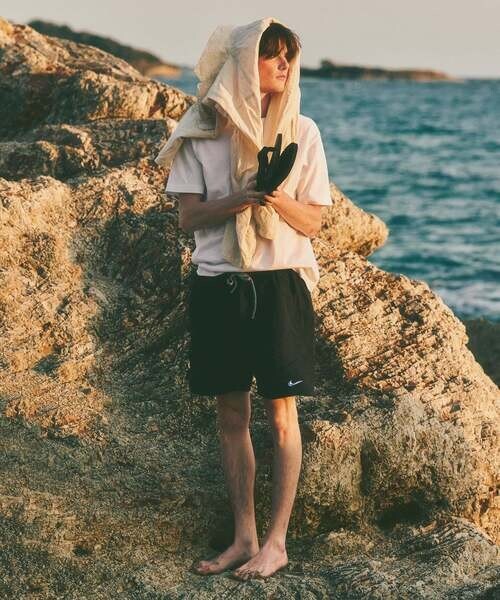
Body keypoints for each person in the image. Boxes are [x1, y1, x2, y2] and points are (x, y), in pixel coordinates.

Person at [164, 19, 332, 580]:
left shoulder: (301, 130)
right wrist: (243, 197)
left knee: (283, 415)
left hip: (279, 282)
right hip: (220, 283)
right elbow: (189, 216)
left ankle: (276, 543)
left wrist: (273, 197)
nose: (284, 65)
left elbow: (315, 221)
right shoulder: (201, 130)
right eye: (272, 55)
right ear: (242, 62)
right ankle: (244, 538)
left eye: (289, 56)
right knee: (231, 414)